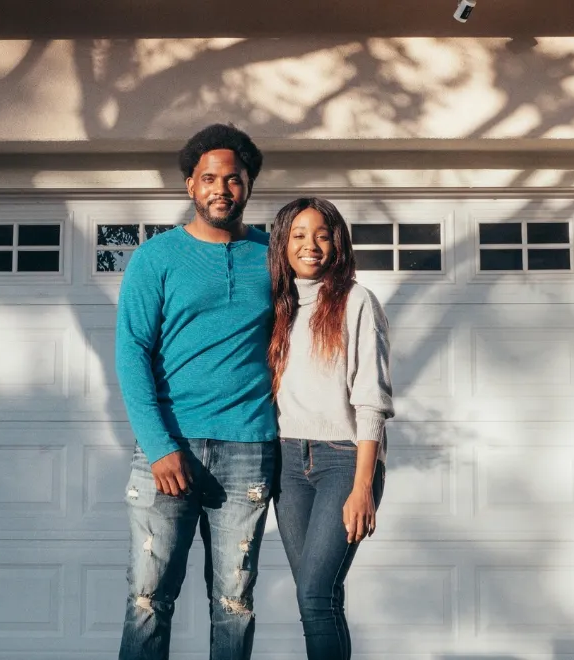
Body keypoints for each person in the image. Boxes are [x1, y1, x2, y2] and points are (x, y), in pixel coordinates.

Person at [115, 124, 277, 660]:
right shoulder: (155, 258)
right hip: (170, 451)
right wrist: (161, 448)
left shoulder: (274, 257)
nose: (221, 189)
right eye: (209, 178)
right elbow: (132, 354)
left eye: (233, 179)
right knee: (148, 599)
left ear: (249, 185)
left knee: (235, 602)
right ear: (190, 185)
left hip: (249, 450)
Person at [267, 197, 394, 660]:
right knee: (319, 599)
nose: (311, 245)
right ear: (283, 243)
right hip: (286, 463)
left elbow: (372, 398)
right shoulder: (278, 307)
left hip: (343, 460)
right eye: (299, 235)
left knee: (315, 595)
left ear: (337, 243)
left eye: (322, 234)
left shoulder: (356, 302)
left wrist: (364, 486)